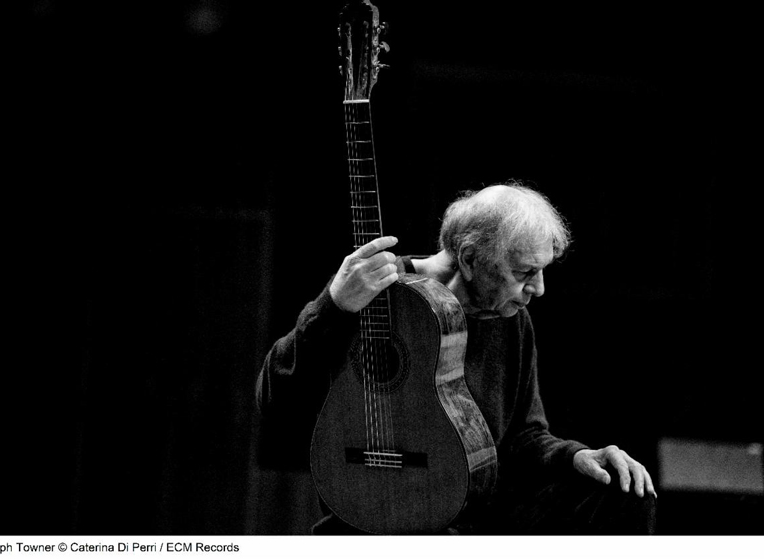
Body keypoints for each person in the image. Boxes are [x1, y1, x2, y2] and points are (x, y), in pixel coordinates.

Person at [256, 182, 657, 534]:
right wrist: (334, 306)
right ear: (468, 258)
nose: (539, 288)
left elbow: (525, 436)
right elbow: (272, 394)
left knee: (621, 494)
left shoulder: (511, 317)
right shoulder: (371, 291)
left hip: (477, 512)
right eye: (524, 272)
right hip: (384, 513)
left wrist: (576, 455)